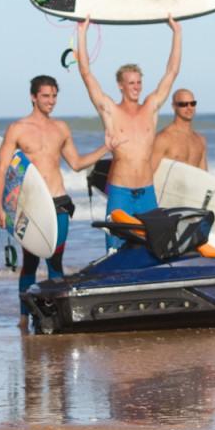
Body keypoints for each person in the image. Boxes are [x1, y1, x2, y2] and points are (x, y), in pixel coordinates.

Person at [0, 75, 109, 325]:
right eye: (46, 96)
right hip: (32, 207)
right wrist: (2, 207)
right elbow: (2, 168)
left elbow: (77, 163)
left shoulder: (61, 128)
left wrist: (105, 147)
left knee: (55, 260)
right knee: (30, 262)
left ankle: (55, 314)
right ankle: (25, 316)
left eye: (54, 96)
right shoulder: (18, 128)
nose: (51, 101)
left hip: (58, 202)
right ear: (33, 97)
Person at [77, 15, 182, 252]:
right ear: (120, 86)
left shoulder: (151, 107)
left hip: (147, 192)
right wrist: (82, 33)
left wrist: (177, 32)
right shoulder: (110, 111)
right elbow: (86, 74)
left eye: (138, 82)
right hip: (120, 193)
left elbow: (172, 72)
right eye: (131, 83)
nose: (136, 87)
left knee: (152, 250)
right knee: (115, 251)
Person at [150, 88, 207, 171]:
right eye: (183, 104)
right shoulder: (163, 139)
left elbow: (203, 176)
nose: (189, 107)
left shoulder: (200, 140)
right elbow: (148, 175)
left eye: (192, 103)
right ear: (174, 106)